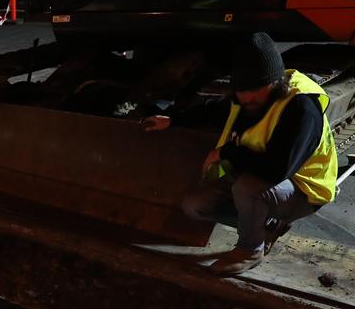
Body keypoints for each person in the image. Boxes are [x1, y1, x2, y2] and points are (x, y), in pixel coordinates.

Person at [143, 32, 338, 275]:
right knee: (195, 205)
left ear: (274, 83)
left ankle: (250, 250)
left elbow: (276, 170)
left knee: (247, 188)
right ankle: (267, 226)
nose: (245, 99)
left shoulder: (301, 109)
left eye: (254, 92)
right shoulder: (245, 97)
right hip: (258, 174)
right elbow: (215, 110)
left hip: (303, 190)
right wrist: (172, 120)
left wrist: (227, 152)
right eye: (241, 93)